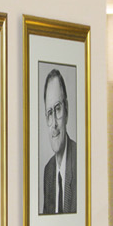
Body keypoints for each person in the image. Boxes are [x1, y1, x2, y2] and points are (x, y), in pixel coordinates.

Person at [40, 68, 77, 215]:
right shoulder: (48, 171)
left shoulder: (80, 161)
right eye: (50, 113)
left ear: (66, 110)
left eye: (58, 109)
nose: (54, 123)